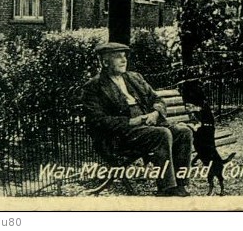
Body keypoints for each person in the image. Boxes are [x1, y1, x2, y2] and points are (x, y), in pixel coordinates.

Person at [82, 42, 193, 197]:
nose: (123, 60)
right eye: (118, 57)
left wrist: (155, 113)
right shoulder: (94, 86)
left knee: (183, 131)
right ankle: (167, 188)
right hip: (120, 136)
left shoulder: (134, 77)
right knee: (162, 134)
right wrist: (131, 121)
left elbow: (157, 100)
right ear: (105, 62)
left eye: (124, 56)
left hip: (146, 127)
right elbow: (97, 121)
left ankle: (181, 184)